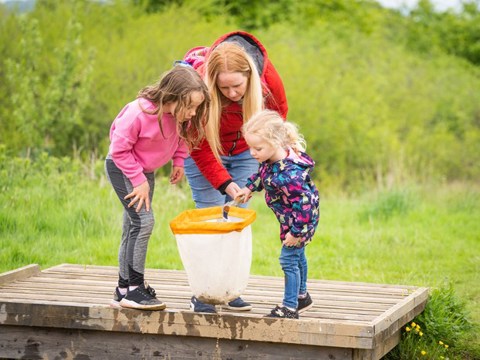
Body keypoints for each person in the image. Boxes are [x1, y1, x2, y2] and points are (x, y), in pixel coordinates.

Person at [181, 31, 289, 313]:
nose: (231, 94)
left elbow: (277, 121)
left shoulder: (268, 79)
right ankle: (204, 294)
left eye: (237, 87)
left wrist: (269, 159)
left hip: (245, 151)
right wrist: (225, 183)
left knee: (235, 223)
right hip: (206, 149)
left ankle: (228, 290)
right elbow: (198, 145)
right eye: (223, 89)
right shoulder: (197, 86)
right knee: (210, 223)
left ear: (250, 76)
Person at [105, 65, 210, 310]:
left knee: (132, 224)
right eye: (191, 106)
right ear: (173, 95)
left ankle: (123, 289)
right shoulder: (138, 113)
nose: (193, 113)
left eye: (197, 107)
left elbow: (181, 137)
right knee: (144, 222)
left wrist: (179, 161)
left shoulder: (177, 116)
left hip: (144, 173)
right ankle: (135, 288)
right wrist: (138, 179)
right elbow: (118, 151)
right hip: (123, 169)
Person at [237, 109, 320, 319]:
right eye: (250, 148)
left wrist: (297, 231)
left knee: (288, 260)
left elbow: (305, 203)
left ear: (275, 142)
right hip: (291, 220)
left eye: (258, 148)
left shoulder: (290, 174)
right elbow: (261, 174)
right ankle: (302, 297)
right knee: (298, 255)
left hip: (300, 222)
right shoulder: (272, 161)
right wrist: (249, 188)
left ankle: (289, 307)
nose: (252, 153)